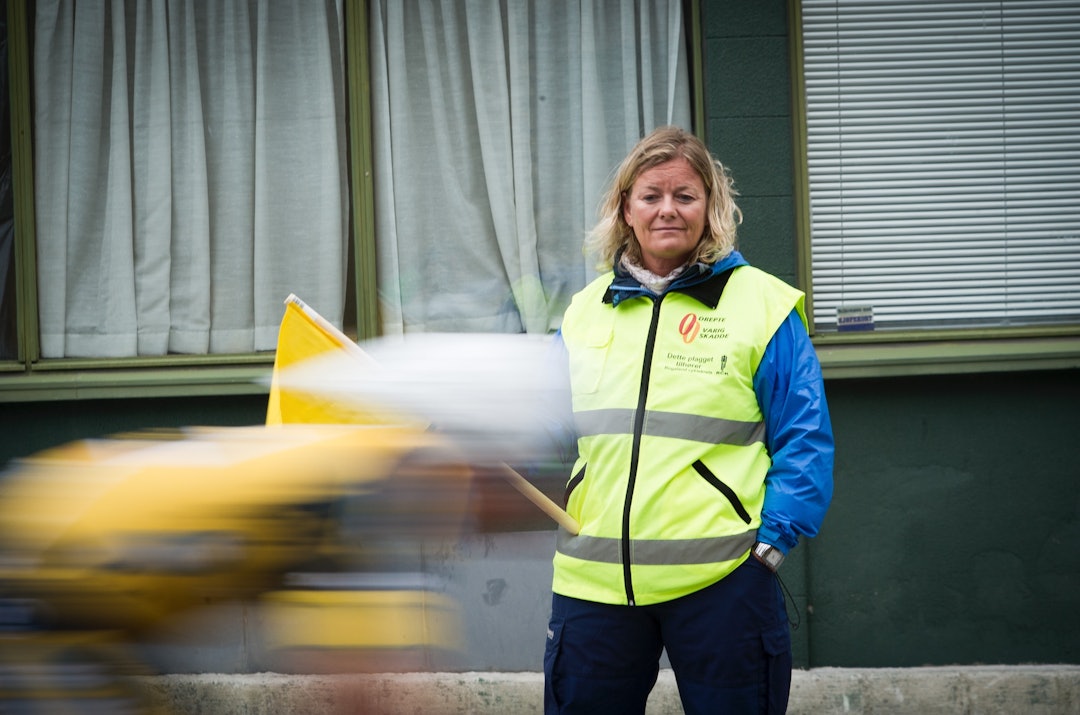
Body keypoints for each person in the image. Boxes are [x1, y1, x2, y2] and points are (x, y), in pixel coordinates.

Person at [543, 125, 834, 714]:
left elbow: (804, 437)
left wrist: (772, 544)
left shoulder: (764, 305)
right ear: (626, 209)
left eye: (685, 195)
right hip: (594, 584)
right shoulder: (582, 313)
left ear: (711, 207)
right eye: (651, 196)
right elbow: (545, 426)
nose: (667, 210)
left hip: (724, 583)